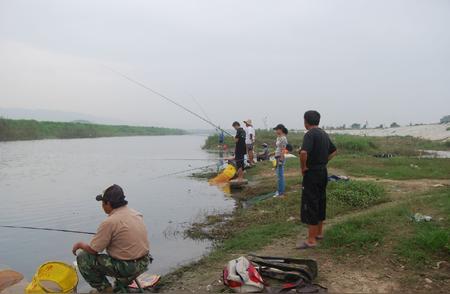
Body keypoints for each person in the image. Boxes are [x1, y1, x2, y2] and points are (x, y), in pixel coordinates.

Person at [72, 185, 151, 293]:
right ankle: (120, 284)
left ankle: (105, 289)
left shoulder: (109, 222)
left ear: (108, 203)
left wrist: (80, 245)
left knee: (83, 257)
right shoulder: (135, 213)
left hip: (128, 267)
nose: (102, 206)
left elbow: (94, 250)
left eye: (102, 202)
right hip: (144, 262)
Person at [297, 111, 337, 249]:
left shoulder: (310, 134)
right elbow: (334, 151)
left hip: (312, 173)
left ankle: (311, 240)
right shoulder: (323, 134)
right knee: (321, 200)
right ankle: (319, 233)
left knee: (311, 203)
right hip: (322, 171)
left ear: (306, 121)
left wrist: (303, 167)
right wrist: (323, 161)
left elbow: (303, 153)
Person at [273, 124, 289, 197]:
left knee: (280, 176)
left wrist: (281, 159)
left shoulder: (283, 138)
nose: (276, 131)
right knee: (278, 175)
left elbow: (283, 149)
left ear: (281, 129)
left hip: (280, 157)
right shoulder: (279, 138)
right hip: (277, 156)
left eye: (277, 129)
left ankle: (281, 193)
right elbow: (278, 148)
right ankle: (279, 191)